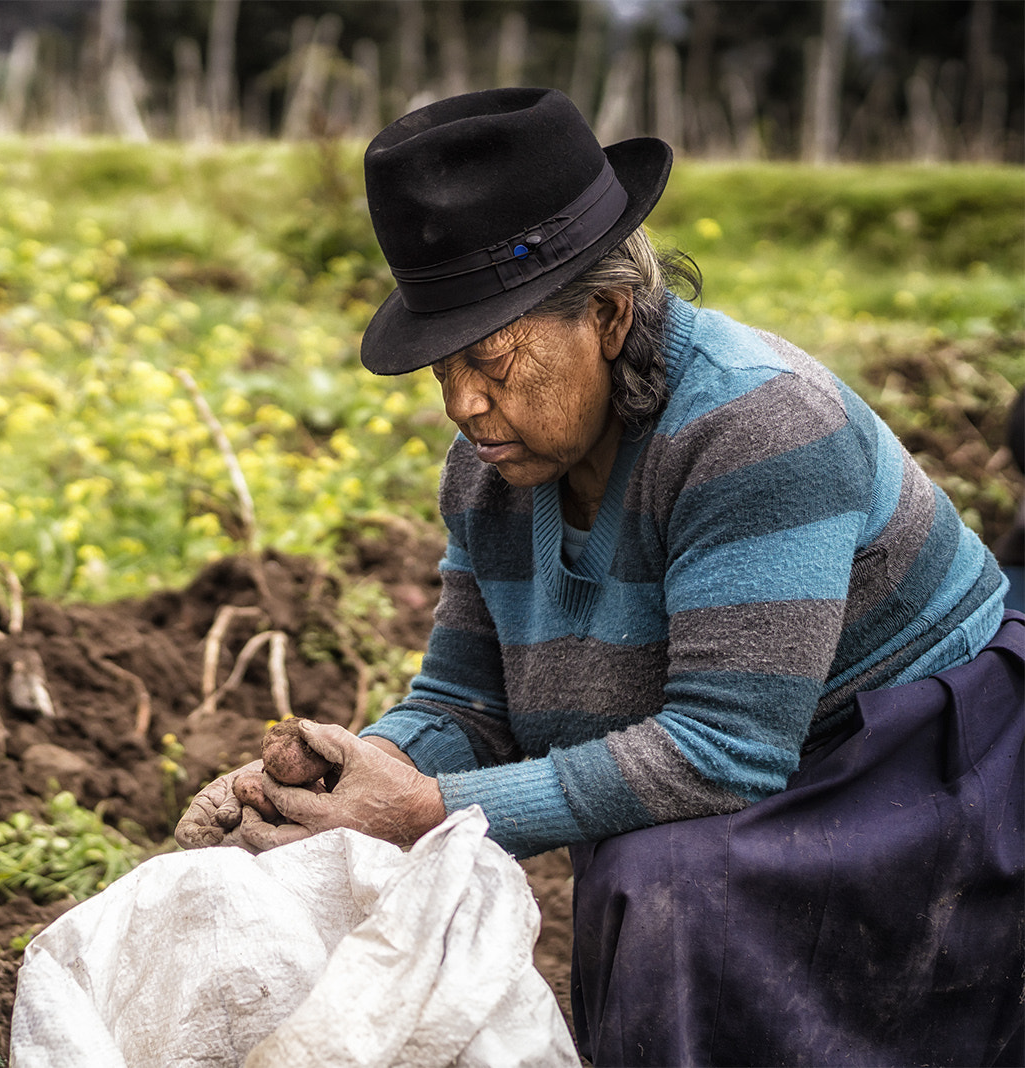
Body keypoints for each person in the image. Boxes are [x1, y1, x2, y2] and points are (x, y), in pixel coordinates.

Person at [175, 88, 1023, 1067]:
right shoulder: (491, 468)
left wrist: (423, 814)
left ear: (610, 315)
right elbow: (464, 698)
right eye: (441, 370)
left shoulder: (754, 429)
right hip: (727, 745)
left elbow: (725, 749)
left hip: (918, 761)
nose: (461, 403)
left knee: (659, 873)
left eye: (489, 360)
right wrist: (343, 773)